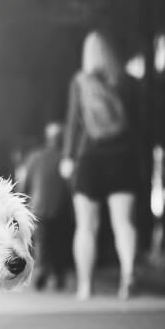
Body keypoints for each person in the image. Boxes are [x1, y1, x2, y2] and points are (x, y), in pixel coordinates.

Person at [60, 31, 139, 300]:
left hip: (91, 156)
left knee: (86, 226)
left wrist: (68, 157)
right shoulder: (126, 82)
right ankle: (128, 274)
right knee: (123, 222)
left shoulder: (80, 81)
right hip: (123, 156)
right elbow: (139, 123)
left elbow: (74, 122)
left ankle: (85, 285)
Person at [19, 122, 74, 291]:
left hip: (38, 207)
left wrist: (23, 203)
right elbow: (70, 185)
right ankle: (58, 274)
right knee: (58, 241)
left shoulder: (34, 157)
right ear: (61, 139)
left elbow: (25, 183)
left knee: (42, 241)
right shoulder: (65, 158)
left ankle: (42, 270)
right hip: (61, 208)